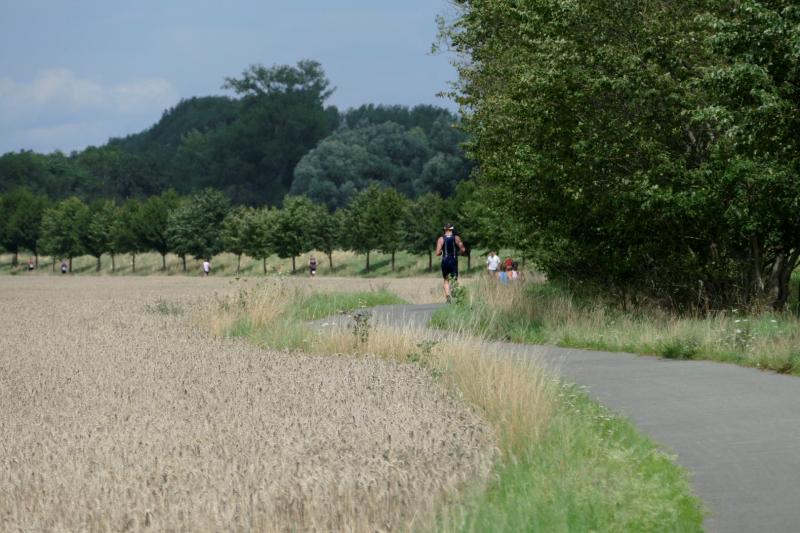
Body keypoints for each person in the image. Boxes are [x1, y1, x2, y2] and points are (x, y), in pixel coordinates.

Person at [435, 223, 466, 303]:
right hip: (453, 260)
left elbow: (437, 253)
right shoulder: (456, 238)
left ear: (444, 229)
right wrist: (459, 252)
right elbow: (463, 249)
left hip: (445, 261)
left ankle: (448, 297)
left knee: (446, 280)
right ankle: (456, 295)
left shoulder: (441, 239)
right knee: (455, 279)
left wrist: (441, 251)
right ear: (452, 229)